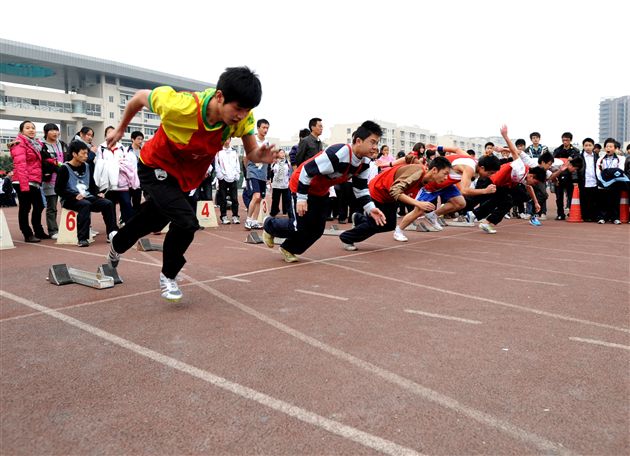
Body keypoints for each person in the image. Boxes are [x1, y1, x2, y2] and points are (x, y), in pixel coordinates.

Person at [105, 66, 276, 301]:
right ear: (219, 97)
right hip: (156, 166)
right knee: (186, 222)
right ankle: (169, 276)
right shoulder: (180, 105)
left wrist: (260, 156)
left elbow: (251, 152)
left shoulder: (241, 119)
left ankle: (118, 242)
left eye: (247, 111)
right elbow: (138, 98)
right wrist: (121, 129)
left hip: (186, 178)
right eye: (237, 109)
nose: (241, 115)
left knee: (155, 218)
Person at [262, 121, 386, 263]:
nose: (375, 148)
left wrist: (371, 209)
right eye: (373, 142)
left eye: (377, 143)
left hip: (321, 191)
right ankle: (269, 224)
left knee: (317, 230)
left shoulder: (365, 163)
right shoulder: (338, 154)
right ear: (358, 141)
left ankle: (289, 248)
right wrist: (301, 198)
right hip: (301, 185)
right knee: (299, 226)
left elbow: (360, 189)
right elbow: (306, 171)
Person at [339, 156, 452, 250]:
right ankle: (347, 238)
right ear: (435, 170)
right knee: (377, 223)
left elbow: (408, 160)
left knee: (389, 225)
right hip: (378, 190)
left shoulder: (426, 179)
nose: (446, 177)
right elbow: (395, 190)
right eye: (445, 173)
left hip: (389, 196)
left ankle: (359, 218)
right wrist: (418, 203)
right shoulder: (418, 171)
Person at [395, 145, 500, 234]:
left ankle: (433, 215)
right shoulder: (470, 169)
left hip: (446, 184)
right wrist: (485, 191)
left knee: (460, 203)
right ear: (481, 168)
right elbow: (464, 190)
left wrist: (438, 147)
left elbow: (457, 149)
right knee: (419, 210)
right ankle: (398, 230)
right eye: (489, 173)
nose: (489, 176)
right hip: (433, 183)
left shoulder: (472, 159)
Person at [472, 125, 546, 234]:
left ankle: (476, 217)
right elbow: (514, 152)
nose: (534, 184)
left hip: (501, 184)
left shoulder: (527, 176)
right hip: (490, 181)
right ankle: (479, 218)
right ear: (531, 176)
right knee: (500, 201)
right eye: (535, 182)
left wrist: (536, 202)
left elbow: (529, 187)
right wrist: (505, 136)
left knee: (506, 200)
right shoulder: (521, 168)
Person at [55, 141, 118, 247]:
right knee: (85, 205)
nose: (86, 156)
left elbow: (92, 185)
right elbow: (58, 189)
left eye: (87, 153)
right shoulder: (64, 168)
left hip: (87, 197)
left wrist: (98, 193)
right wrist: (74, 196)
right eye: (83, 153)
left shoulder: (87, 166)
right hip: (70, 199)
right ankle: (82, 239)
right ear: (74, 154)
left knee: (108, 203)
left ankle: (111, 234)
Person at [9, 121, 49, 242]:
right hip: (23, 181)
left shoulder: (34, 144)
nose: (31, 130)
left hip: (34, 180)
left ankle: (38, 231)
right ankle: (27, 234)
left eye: (33, 128)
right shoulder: (19, 143)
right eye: (27, 128)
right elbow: (20, 165)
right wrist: (24, 185)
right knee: (25, 207)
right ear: (22, 131)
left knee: (39, 205)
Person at [94, 126, 139, 226]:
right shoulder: (101, 148)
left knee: (127, 204)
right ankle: (112, 229)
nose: (112, 135)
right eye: (109, 133)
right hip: (108, 184)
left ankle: (128, 226)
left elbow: (127, 163)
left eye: (114, 133)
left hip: (122, 183)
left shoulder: (122, 148)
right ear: (105, 135)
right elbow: (99, 164)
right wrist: (113, 165)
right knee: (110, 207)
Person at [40, 123, 67, 240]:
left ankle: (69, 229)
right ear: (46, 132)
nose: (55, 133)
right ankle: (53, 230)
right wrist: (57, 168)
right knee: (52, 207)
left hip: (64, 180)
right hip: (50, 179)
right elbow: (44, 162)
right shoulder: (41, 146)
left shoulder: (63, 144)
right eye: (52, 130)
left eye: (56, 130)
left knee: (67, 205)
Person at [244, 119, 270, 229]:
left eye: (267, 128)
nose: (265, 130)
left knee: (260, 198)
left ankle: (254, 221)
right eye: (263, 127)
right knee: (256, 196)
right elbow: (245, 158)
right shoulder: (252, 140)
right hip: (253, 172)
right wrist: (248, 171)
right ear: (258, 128)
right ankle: (248, 220)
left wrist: (268, 176)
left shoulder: (267, 143)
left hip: (263, 174)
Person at [596, 137, 627, 224]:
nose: (608, 148)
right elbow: (598, 172)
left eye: (610, 146)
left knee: (615, 200)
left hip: (616, 183)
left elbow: (620, 171)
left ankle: (615, 218)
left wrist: (606, 172)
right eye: (607, 146)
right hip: (603, 183)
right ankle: (602, 217)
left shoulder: (621, 158)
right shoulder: (600, 159)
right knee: (603, 201)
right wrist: (607, 175)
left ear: (615, 148)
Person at [552, 132, 580, 220]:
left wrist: (575, 180)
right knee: (559, 196)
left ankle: (571, 212)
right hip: (559, 176)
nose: (565, 142)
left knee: (571, 196)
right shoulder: (557, 150)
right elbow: (553, 163)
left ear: (570, 140)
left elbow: (576, 166)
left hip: (570, 176)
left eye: (567, 140)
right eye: (563, 140)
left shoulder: (575, 151)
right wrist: (554, 177)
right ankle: (560, 214)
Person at [215, 138, 241, 224]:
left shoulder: (234, 151)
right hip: (223, 178)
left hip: (233, 177)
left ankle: (235, 216)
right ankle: (223, 216)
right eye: (225, 139)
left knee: (234, 198)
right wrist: (220, 175)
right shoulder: (218, 151)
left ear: (230, 140)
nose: (226, 141)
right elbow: (216, 164)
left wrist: (237, 174)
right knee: (223, 199)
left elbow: (237, 163)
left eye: (228, 139)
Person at [577, 138, 599, 222]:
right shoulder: (579, 157)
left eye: (590, 145)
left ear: (593, 146)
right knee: (584, 200)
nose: (588, 147)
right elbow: (575, 169)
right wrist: (575, 180)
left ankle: (594, 216)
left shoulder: (597, 156)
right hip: (583, 182)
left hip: (594, 182)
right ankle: (586, 216)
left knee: (594, 200)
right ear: (583, 146)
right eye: (586, 145)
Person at [127, 131, 144, 214]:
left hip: (139, 180)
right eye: (138, 139)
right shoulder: (126, 150)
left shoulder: (144, 151)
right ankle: (124, 218)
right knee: (126, 201)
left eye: (141, 139)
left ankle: (134, 220)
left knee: (137, 201)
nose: (140, 141)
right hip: (128, 180)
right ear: (132, 139)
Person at [270, 150, 291, 217]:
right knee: (275, 199)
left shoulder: (288, 163)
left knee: (286, 199)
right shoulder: (274, 163)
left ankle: (286, 211)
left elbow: (290, 172)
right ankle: (274, 211)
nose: (282, 154)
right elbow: (271, 173)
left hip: (285, 183)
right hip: (276, 184)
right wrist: (270, 181)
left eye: (283, 153)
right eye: (281, 153)